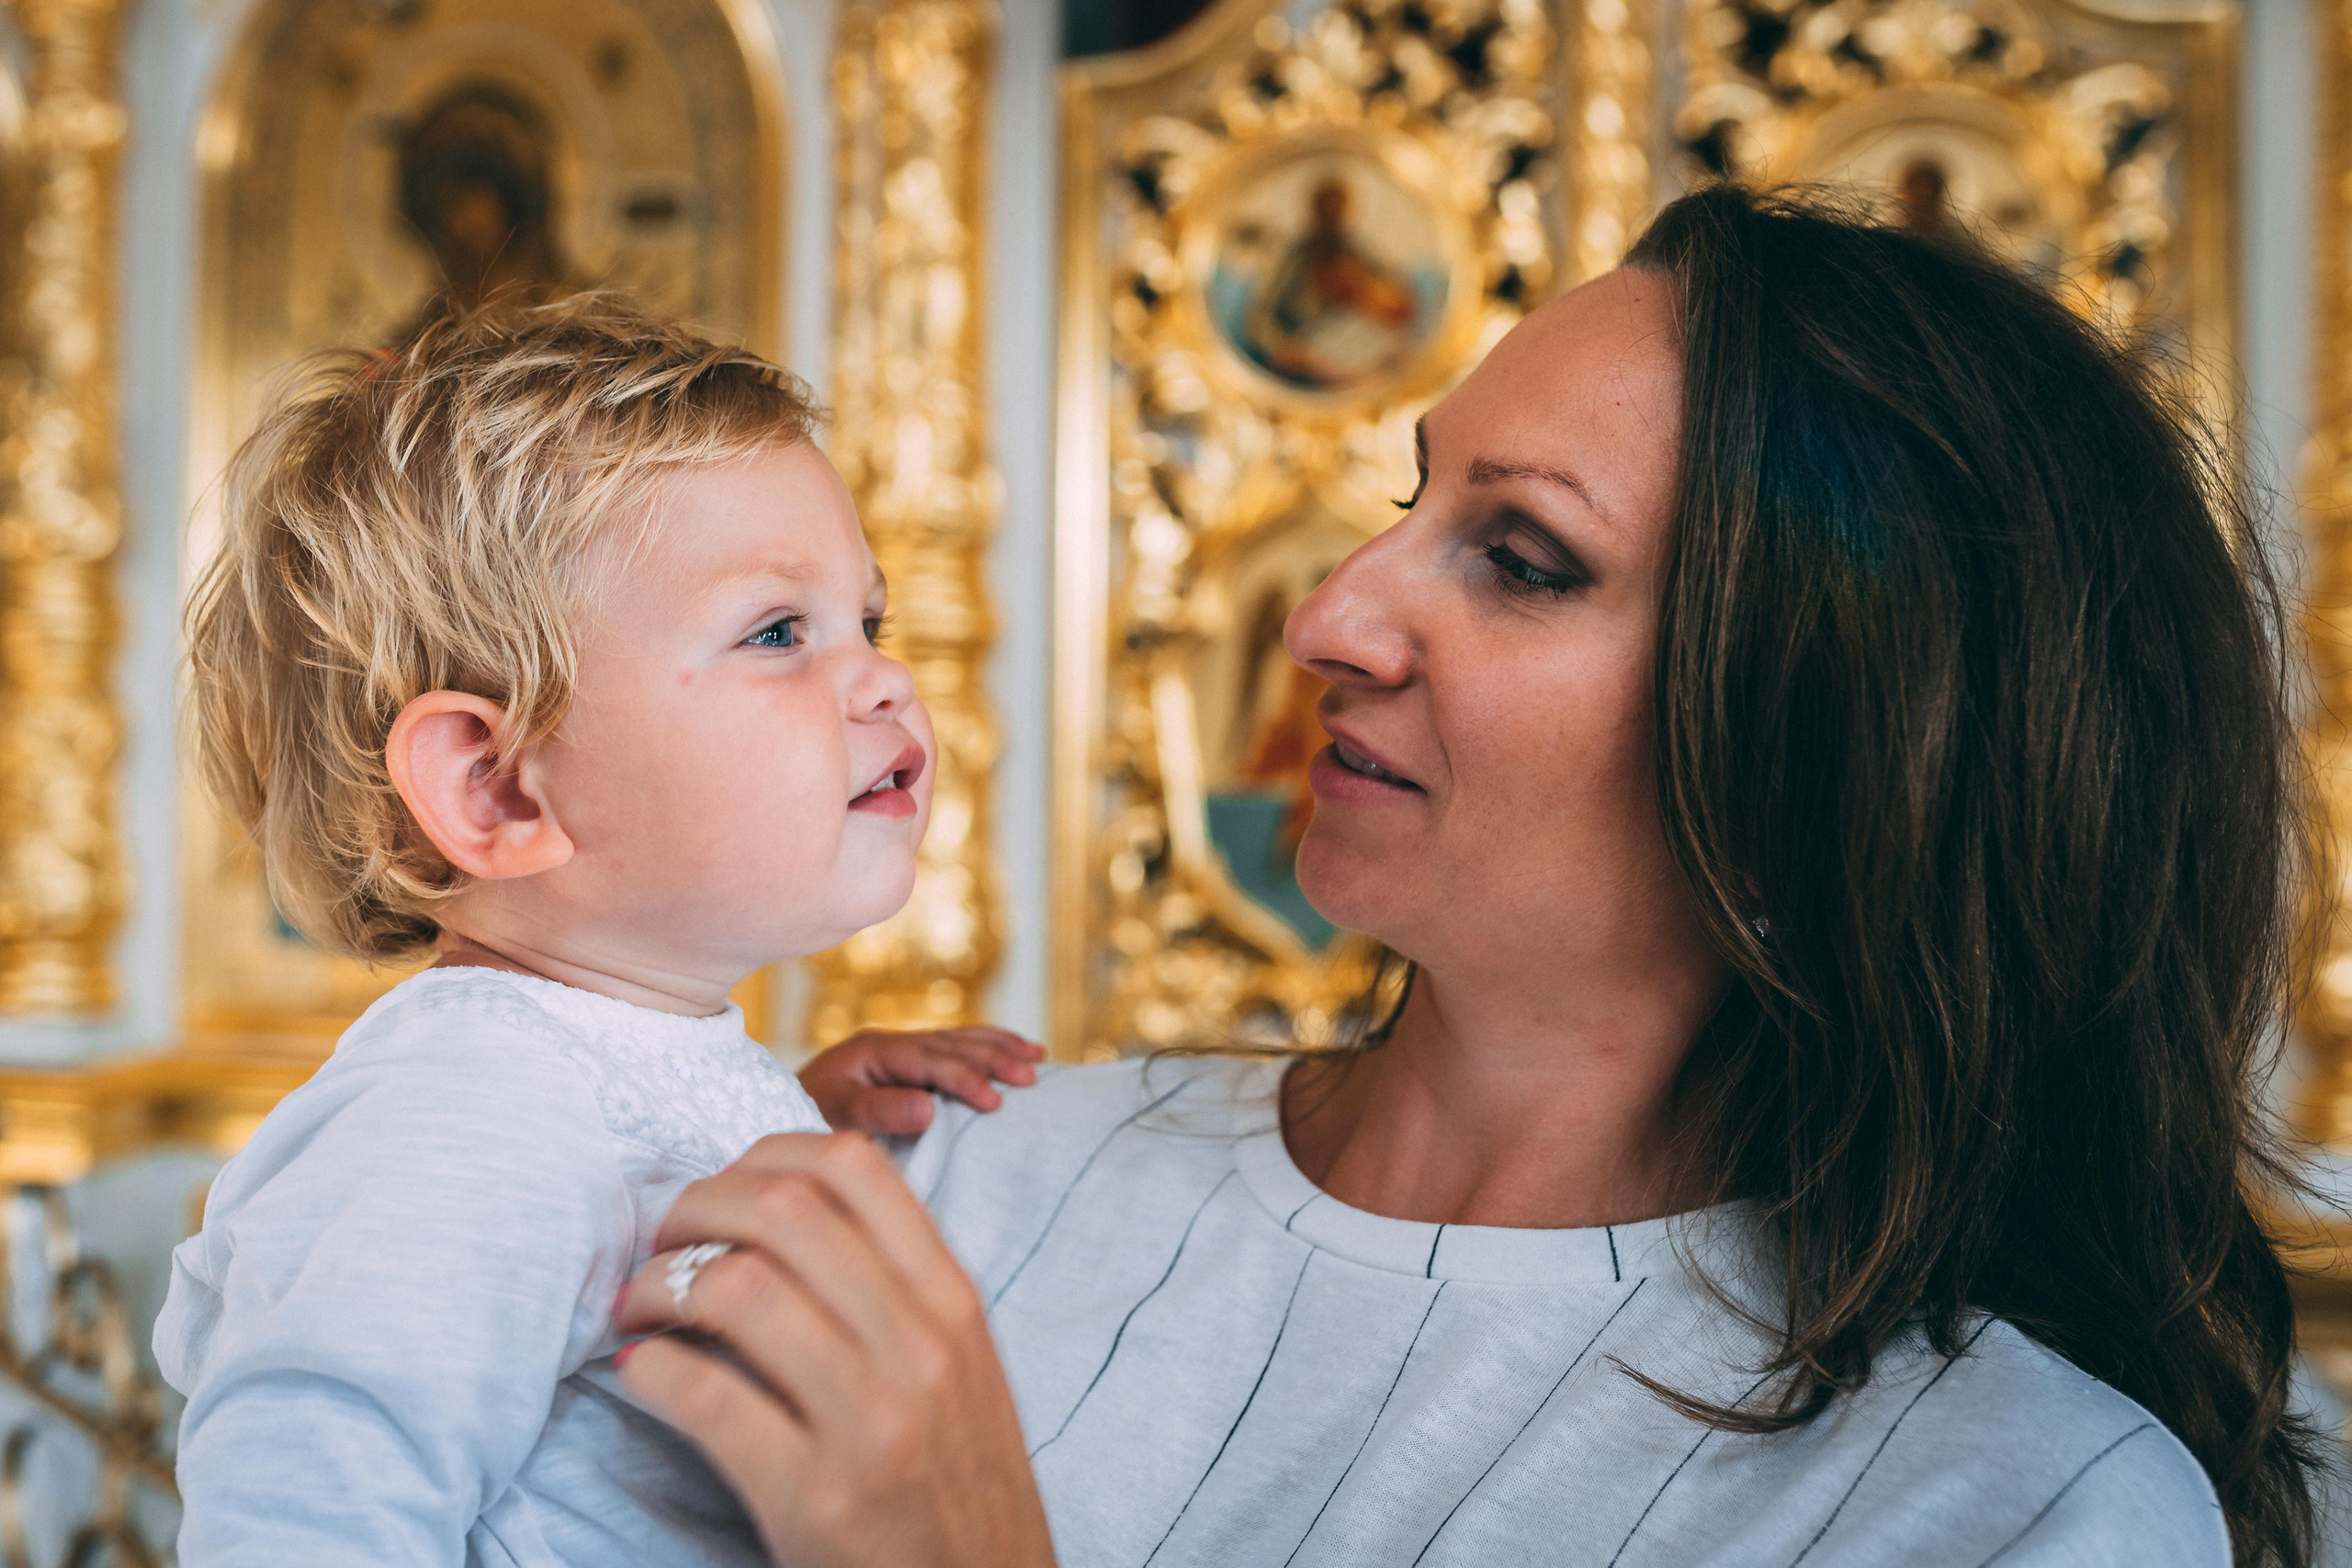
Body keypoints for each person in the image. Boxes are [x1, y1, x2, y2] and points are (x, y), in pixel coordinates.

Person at [614, 186, 2326, 1567]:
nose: (1328, 620)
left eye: (1521, 560)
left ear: (1825, 756)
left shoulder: (2023, 1506)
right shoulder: (950, 1177)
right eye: (1409, 499)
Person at [157, 299, 1039, 1565]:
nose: (884, 678)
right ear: (498, 787)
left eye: (870, 620)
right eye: (779, 633)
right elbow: (302, 1517)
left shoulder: (561, 1090)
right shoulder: (463, 1119)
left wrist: (785, 1126)